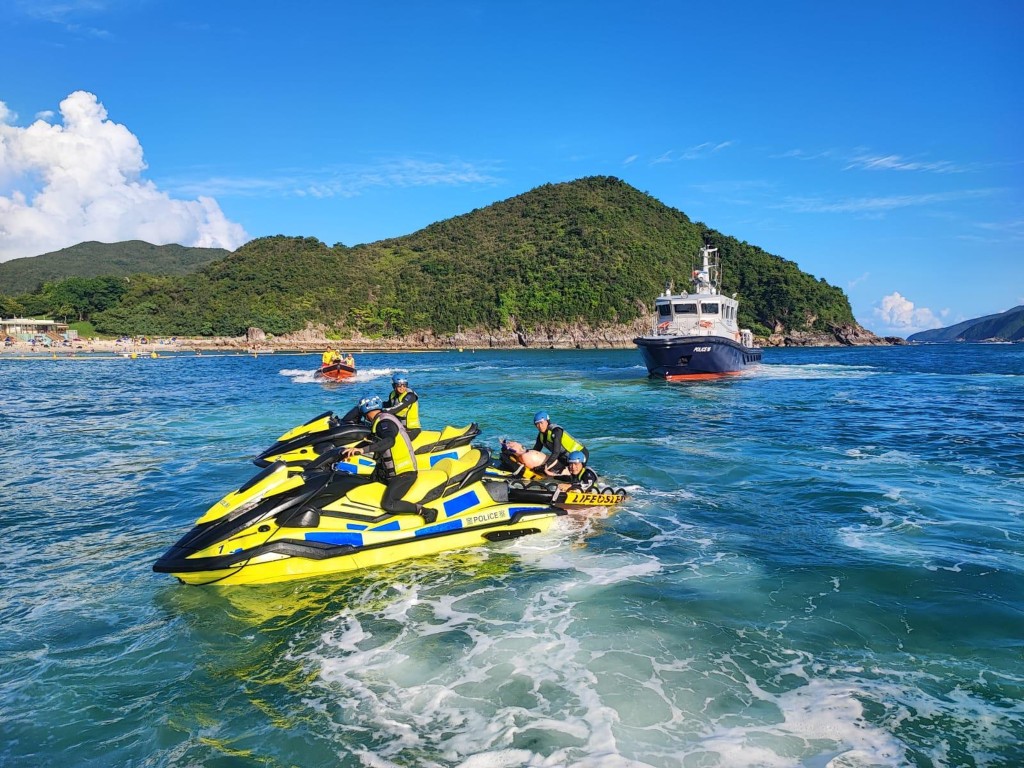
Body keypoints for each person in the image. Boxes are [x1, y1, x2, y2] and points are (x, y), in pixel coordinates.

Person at [342, 395, 437, 523]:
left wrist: (362, 451)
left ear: (365, 411)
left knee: (389, 504)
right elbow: (366, 439)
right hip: (386, 473)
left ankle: (425, 511)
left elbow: (389, 441)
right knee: (360, 484)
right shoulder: (379, 421)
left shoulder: (384, 423)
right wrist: (345, 452)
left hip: (404, 474)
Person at [531, 411, 588, 475]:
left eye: (541, 423)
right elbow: (536, 450)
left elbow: (556, 452)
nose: (540, 426)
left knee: (576, 476)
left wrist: (545, 465)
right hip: (564, 458)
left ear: (547, 422)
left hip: (580, 455)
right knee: (562, 474)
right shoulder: (541, 436)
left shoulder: (556, 431)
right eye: (537, 424)